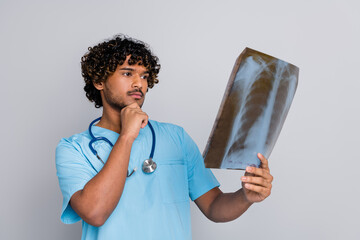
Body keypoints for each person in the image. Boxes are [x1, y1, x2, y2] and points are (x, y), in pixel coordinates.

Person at [55, 34, 273, 240]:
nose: (139, 83)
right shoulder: (73, 149)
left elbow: (214, 206)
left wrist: (245, 197)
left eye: (144, 76)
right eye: (127, 73)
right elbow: (95, 213)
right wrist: (127, 136)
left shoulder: (175, 138)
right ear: (99, 81)